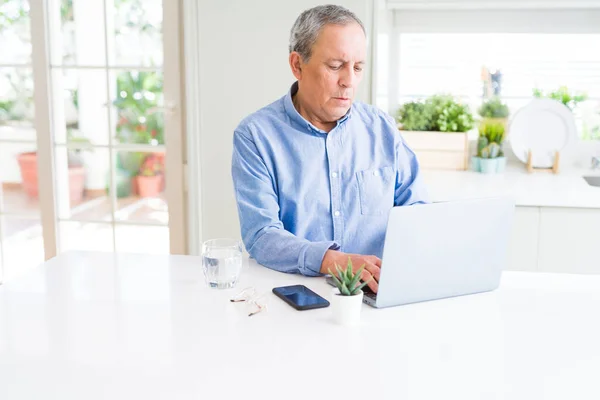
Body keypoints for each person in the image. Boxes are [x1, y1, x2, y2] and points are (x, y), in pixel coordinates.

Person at [231, 4, 429, 293]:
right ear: (297, 65)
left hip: (378, 293)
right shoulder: (256, 135)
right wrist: (331, 260)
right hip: (298, 295)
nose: (349, 81)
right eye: (335, 66)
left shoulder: (382, 128)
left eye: (357, 67)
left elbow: (417, 210)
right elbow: (261, 235)